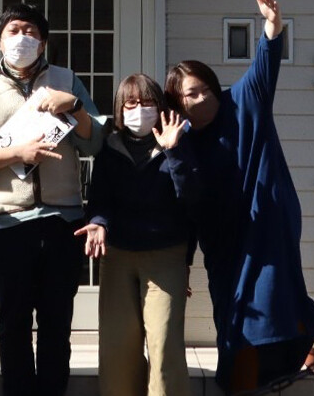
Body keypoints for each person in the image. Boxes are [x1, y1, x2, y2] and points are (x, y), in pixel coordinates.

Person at [164, 0, 314, 393]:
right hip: (223, 242)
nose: (202, 97)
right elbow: (188, 203)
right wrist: (184, 261)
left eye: (206, 87)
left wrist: (272, 26)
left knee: (264, 305)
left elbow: (265, 65)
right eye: (191, 94)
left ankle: (255, 380)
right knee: (238, 311)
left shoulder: (243, 100)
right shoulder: (183, 141)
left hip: (268, 223)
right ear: (178, 102)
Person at [0, 3, 106, 396]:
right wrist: (16, 154)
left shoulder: (66, 81)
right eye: (13, 30)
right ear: (0, 41)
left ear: (43, 43)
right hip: (8, 225)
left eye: (30, 31)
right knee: (13, 326)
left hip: (63, 223)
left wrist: (74, 106)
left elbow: (94, 141)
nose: (21, 38)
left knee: (57, 326)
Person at [75, 74, 196, 396]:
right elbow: (100, 198)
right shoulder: (109, 148)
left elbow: (192, 198)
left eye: (147, 102)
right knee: (118, 348)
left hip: (166, 255)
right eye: (131, 103)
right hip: (118, 256)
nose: (139, 109)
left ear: (160, 106)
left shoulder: (179, 142)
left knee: (164, 345)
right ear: (120, 108)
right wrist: (98, 222)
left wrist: (173, 151)